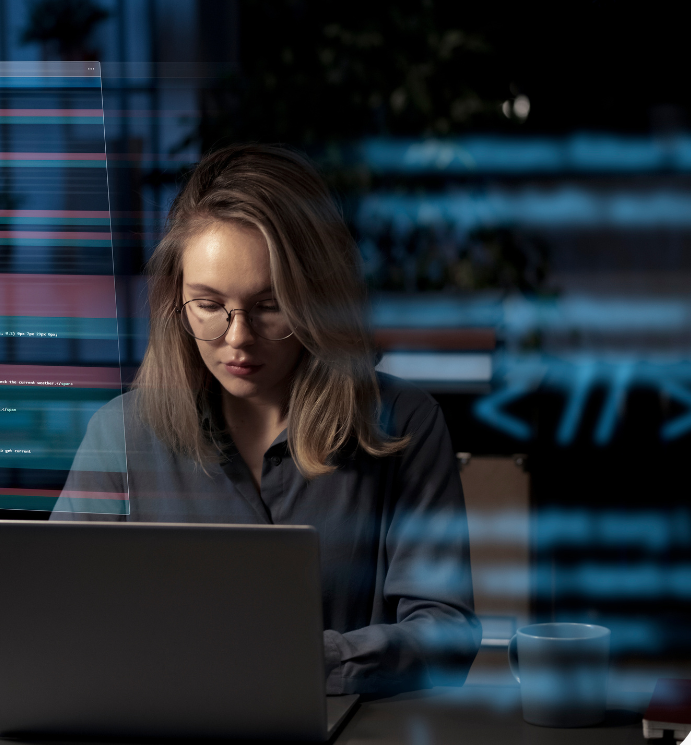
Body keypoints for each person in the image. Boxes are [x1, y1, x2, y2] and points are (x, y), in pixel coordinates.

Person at [52, 145, 480, 695]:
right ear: (173, 301)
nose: (237, 339)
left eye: (270, 305)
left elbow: (446, 636)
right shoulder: (120, 435)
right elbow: (59, 624)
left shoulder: (402, 423)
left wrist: (295, 661)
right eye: (207, 305)